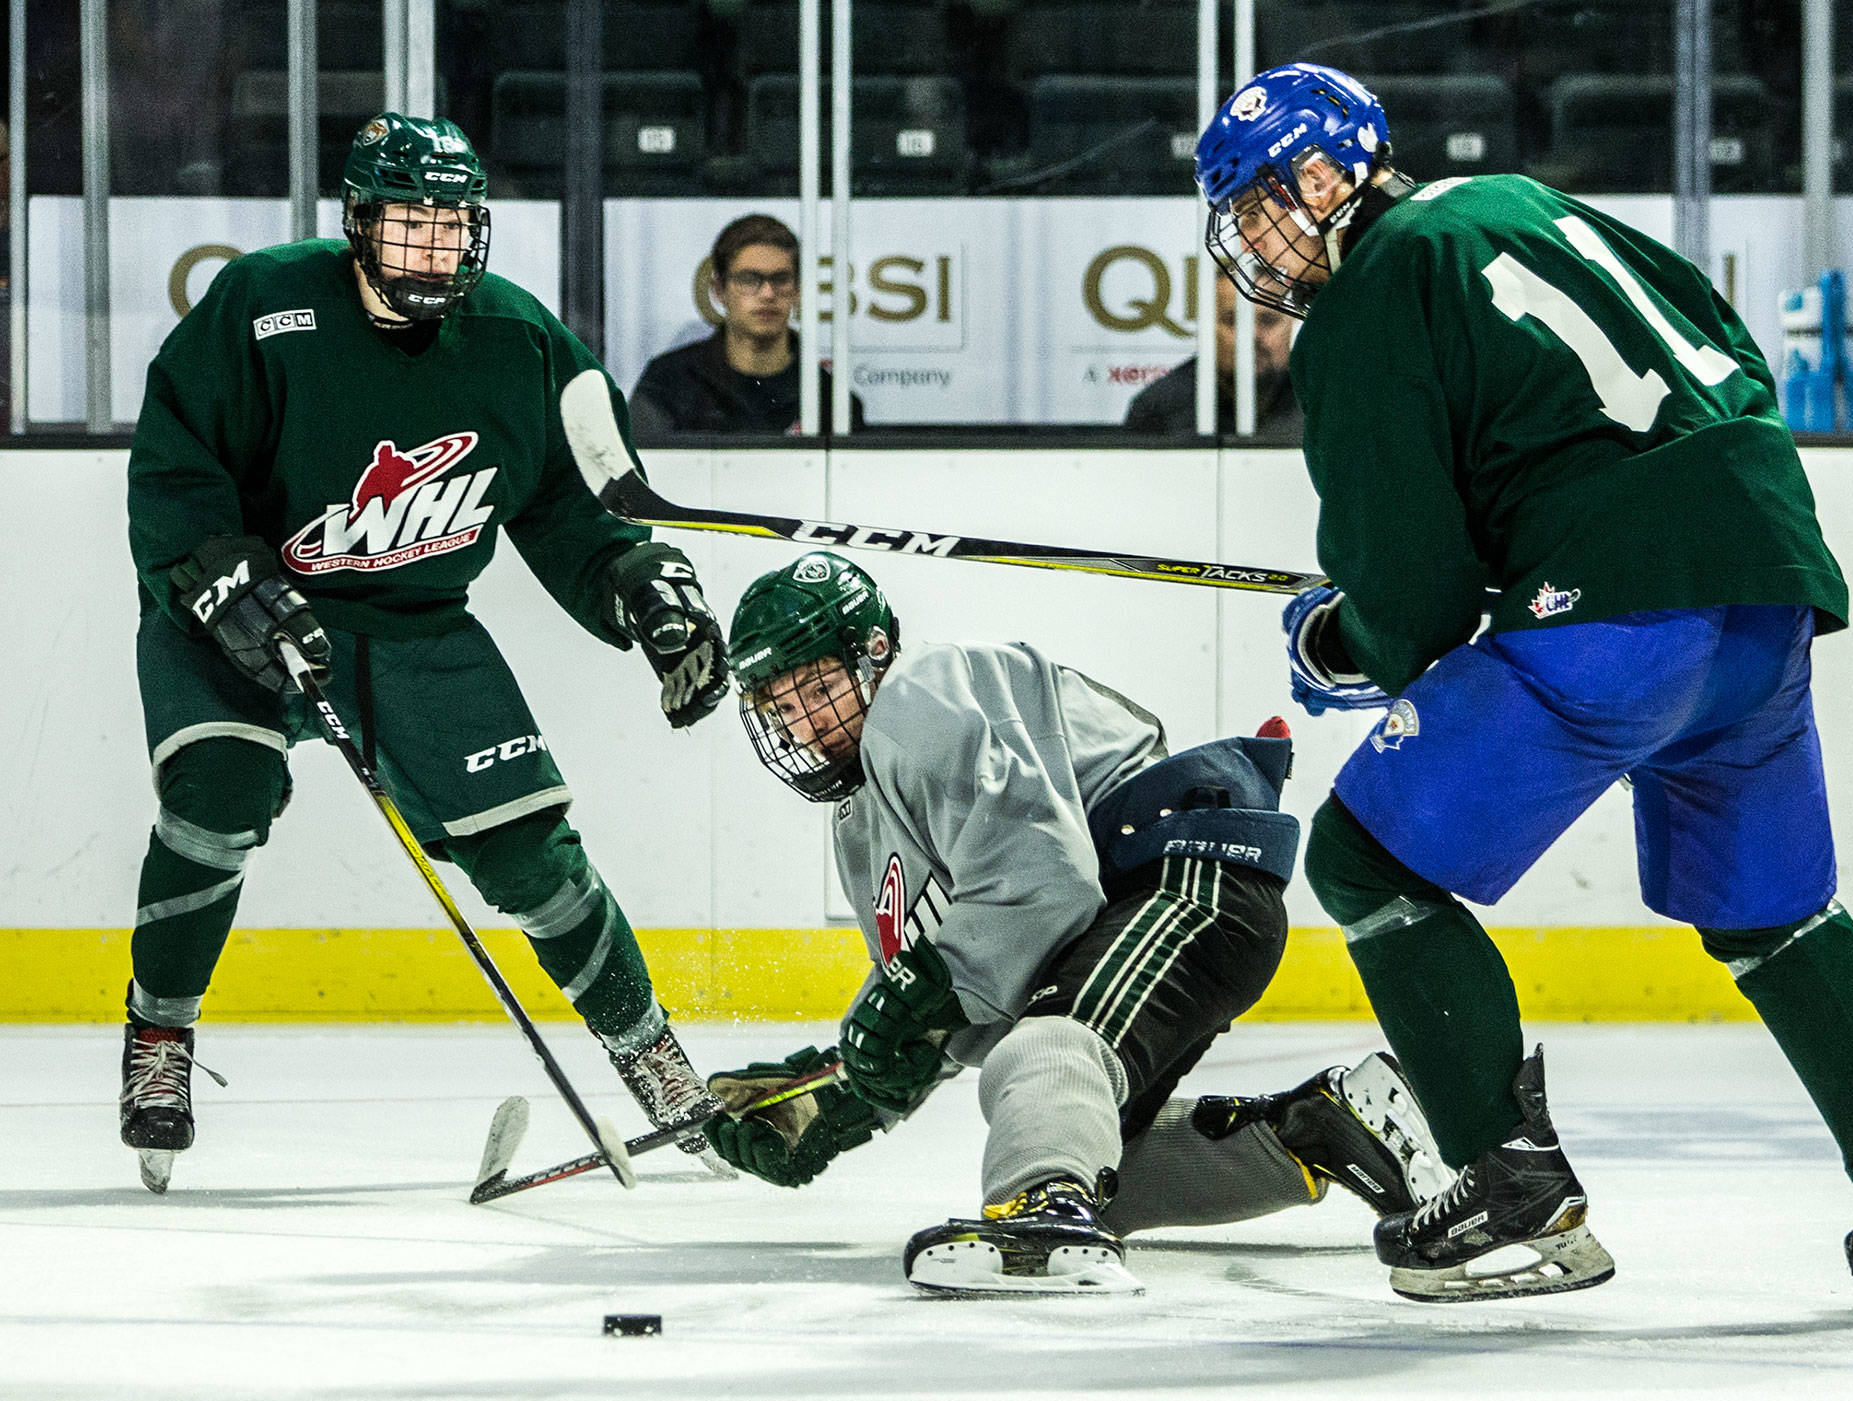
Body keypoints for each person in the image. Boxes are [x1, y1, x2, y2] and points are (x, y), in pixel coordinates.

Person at [1191, 64, 1853, 1314]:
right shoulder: (1516, 201)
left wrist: (1343, 638)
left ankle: (1510, 1188)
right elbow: (1717, 350)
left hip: (1616, 619)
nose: (1250, 240)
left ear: (1320, 176)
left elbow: (1409, 589)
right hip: (1759, 576)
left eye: (1255, 206)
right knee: (1770, 908)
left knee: (1363, 859)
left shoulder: (1365, 297)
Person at [121, 113, 732, 1194]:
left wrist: (638, 587)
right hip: (242, 612)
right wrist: (225, 575)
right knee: (217, 798)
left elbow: (568, 503)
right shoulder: (265, 303)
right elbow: (175, 462)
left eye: (452, 228)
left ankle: (650, 1051)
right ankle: (160, 1038)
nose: (433, 251)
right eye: (408, 227)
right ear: (357, 224)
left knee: (534, 856)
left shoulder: (517, 339)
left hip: (413, 623)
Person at [702, 552, 1449, 1294]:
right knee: (1094, 1157)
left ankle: (1043, 1214)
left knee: (1049, 1054)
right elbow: (940, 991)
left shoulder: (918, 695)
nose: (803, 720)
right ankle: (1325, 1129)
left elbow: (1042, 881)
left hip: (1186, 873)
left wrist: (906, 1006)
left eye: (818, 687)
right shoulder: (860, 822)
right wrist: (831, 1098)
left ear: (872, 655)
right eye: (779, 704)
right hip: (1144, 901)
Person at [628, 214, 863, 439]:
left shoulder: (831, 400)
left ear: (798, 290)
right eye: (749, 280)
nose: (768, 294)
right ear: (719, 290)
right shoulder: (668, 383)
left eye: (781, 279)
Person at [1123, 271, 1300, 442]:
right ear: (1207, 326)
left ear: (1291, 324)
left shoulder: (1319, 399)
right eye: (1232, 320)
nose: (1252, 334)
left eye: (1268, 320)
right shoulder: (1158, 408)